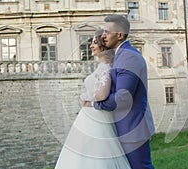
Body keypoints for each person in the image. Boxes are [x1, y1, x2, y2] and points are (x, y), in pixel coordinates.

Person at [55, 29, 131, 169]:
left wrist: (86, 98)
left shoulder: (107, 67)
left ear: (103, 45)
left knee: (97, 155)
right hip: (88, 116)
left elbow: (102, 95)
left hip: (97, 115)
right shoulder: (101, 66)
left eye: (94, 42)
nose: (91, 45)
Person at [86, 14, 155, 169]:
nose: (103, 36)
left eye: (107, 32)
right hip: (125, 126)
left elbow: (124, 98)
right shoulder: (120, 55)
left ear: (120, 35)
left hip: (132, 127)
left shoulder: (129, 56)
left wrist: (95, 105)